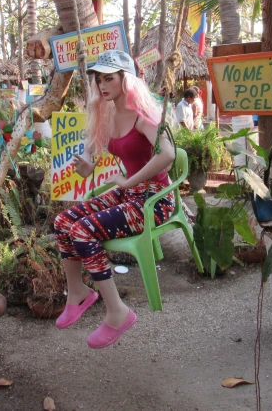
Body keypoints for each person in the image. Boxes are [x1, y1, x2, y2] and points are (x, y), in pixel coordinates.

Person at [53, 50, 176, 348]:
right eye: (99, 80)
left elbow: (169, 155)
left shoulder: (142, 115)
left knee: (83, 230)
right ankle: (78, 292)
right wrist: (85, 167)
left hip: (152, 200)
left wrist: (129, 180)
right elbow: (91, 165)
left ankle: (117, 312)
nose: (102, 85)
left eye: (109, 78)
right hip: (129, 195)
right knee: (63, 221)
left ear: (126, 80)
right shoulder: (107, 115)